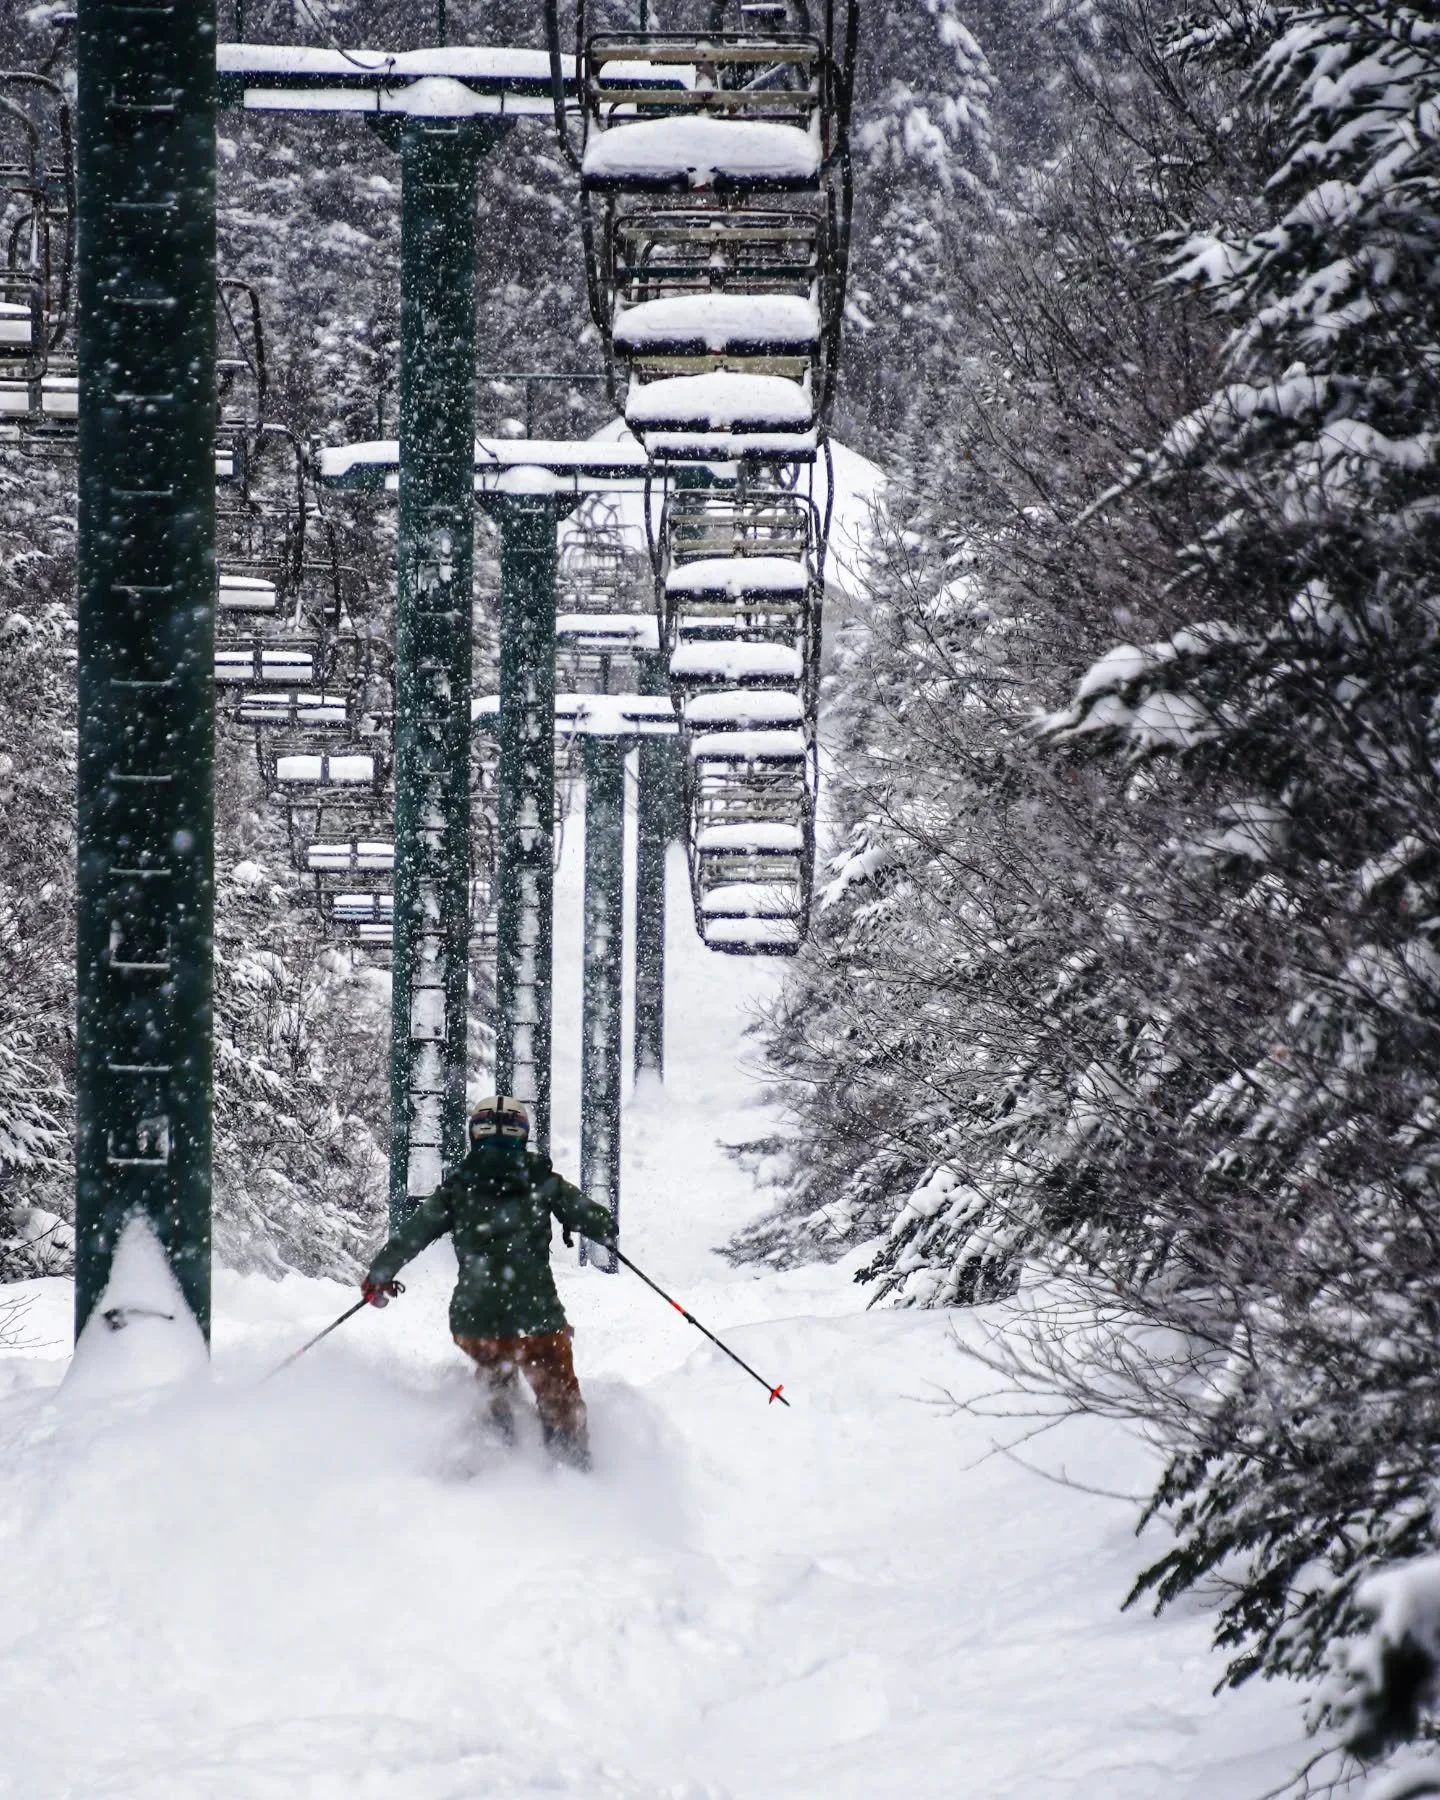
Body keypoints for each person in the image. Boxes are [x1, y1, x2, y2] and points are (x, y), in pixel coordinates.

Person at [361, 1094, 616, 1469]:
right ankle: (569, 1467)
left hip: (475, 1320)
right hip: (536, 1320)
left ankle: (496, 1451)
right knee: (556, 1389)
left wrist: (379, 1276)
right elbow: (603, 1224)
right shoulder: (545, 1183)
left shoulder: (457, 1188)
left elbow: (411, 1235)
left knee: (494, 1370)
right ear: (523, 1135)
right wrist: (577, 1220)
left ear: (474, 1135)